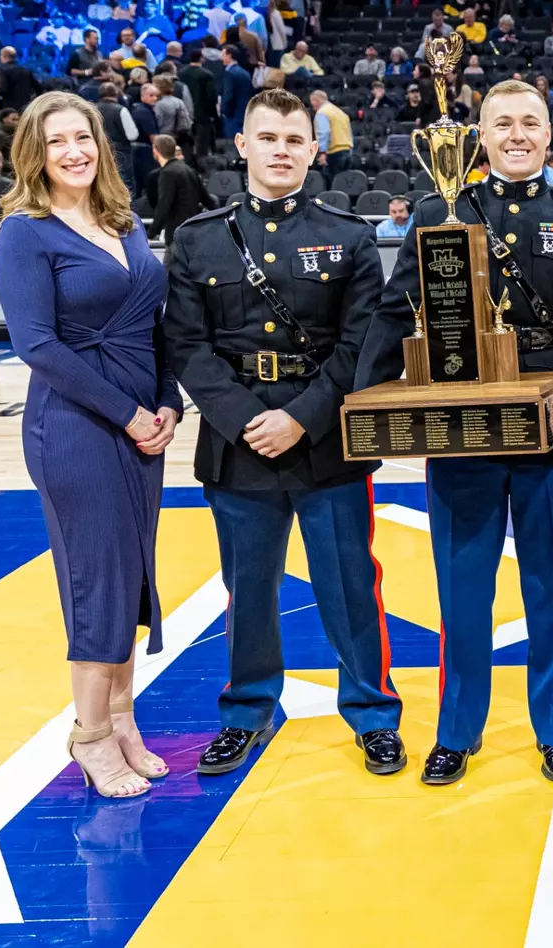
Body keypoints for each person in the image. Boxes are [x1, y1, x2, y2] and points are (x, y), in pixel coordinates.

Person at [356, 80, 553, 785]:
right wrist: (365, 405)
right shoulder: (440, 211)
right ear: (479, 137)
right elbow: (396, 314)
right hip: (462, 427)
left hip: (551, 423)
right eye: (502, 123)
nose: (517, 135)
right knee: (461, 589)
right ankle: (457, 730)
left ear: (550, 133)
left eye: (530, 123)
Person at [163, 89, 406, 779]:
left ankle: (372, 713)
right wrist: (244, 420)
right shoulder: (197, 237)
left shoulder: (351, 235)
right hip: (238, 444)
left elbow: (363, 343)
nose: (280, 151)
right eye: (267, 138)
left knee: (351, 585)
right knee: (249, 590)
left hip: (324, 438)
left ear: (313, 151)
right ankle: (246, 712)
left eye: (294, 140)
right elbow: (186, 343)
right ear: (242, 146)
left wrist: (302, 416)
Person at [0, 91, 183, 799]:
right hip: (73, 429)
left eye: (83, 137)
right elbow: (36, 345)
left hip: (142, 425)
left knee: (132, 579)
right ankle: (90, 735)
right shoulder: (25, 231)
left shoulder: (121, 220)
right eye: (56, 142)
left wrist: (167, 401)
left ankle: (124, 719)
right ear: (33, 156)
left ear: (101, 144)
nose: (73, 151)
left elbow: (154, 323)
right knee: (96, 585)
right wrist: (130, 414)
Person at [148, 135, 205, 243]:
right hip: (191, 231)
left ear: (156, 150)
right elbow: (208, 199)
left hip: (176, 234)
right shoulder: (188, 169)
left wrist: (151, 233)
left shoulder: (168, 173)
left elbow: (164, 205)